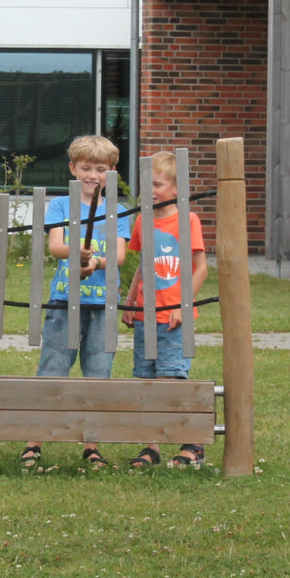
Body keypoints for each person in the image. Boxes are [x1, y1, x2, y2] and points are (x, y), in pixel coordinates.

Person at [21, 134, 130, 470]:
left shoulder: (119, 210)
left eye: (100, 168)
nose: (92, 175)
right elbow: (55, 246)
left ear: (112, 171)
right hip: (63, 299)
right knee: (53, 368)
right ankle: (34, 441)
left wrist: (94, 262)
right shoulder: (60, 206)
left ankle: (92, 444)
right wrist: (75, 252)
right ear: (73, 168)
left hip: (103, 304)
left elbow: (121, 255)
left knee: (98, 372)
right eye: (85, 167)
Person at [122, 151, 209, 468]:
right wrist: (130, 302)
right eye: (147, 183)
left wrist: (184, 306)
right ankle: (152, 447)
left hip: (174, 319)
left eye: (157, 184)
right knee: (147, 383)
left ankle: (193, 443)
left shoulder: (188, 220)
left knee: (172, 381)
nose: (151, 189)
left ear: (176, 189)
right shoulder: (143, 219)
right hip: (146, 317)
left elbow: (201, 269)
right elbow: (142, 269)